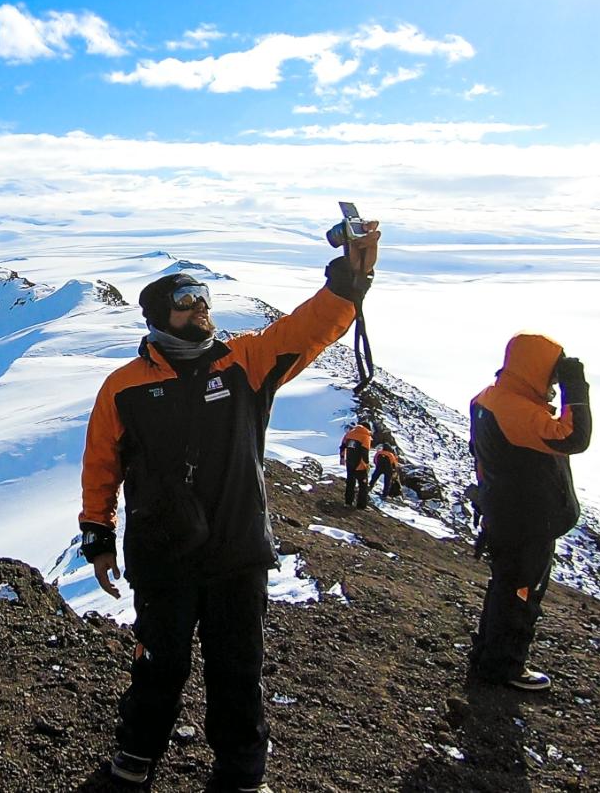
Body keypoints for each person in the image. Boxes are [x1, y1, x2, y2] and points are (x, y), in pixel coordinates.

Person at [77, 224, 380, 792]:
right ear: (158, 316)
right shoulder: (123, 387)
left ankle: (242, 774)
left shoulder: (245, 360)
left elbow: (309, 329)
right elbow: (101, 467)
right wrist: (97, 534)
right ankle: (136, 756)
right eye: (186, 303)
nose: (201, 310)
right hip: (163, 554)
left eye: (204, 301)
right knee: (158, 665)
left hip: (236, 551)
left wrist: (350, 278)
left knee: (238, 670)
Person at [466, 334, 591, 692]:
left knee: (504, 587)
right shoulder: (518, 412)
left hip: (504, 514)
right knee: (520, 593)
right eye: (551, 375)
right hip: (526, 521)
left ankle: (488, 656)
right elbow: (574, 437)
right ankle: (504, 668)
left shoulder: (490, 399)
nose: (552, 384)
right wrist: (575, 386)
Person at [339, 423, 373, 508]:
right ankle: (361, 505)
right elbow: (365, 452)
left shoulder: (349, 434)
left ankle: (348, 502)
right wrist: (367, 464)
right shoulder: (366, 436)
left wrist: (342, 457)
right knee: (363, 485)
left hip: (349, 462)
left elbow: (343, 446)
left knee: (350, 482)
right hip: (360, 464)